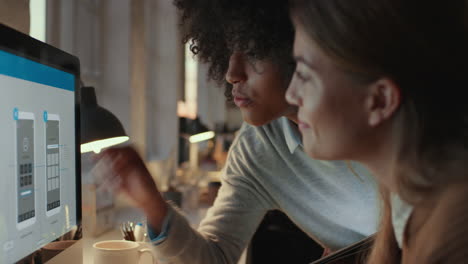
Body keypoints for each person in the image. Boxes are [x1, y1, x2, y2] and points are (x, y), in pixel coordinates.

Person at [95, 0, 379, 263]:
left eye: (254, 52)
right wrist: (153, 206)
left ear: (300, 50)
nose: (232, 72)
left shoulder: (380, 115)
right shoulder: (257, 149)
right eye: (229, 49)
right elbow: (215, 255)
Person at [286, 0, 468, 263]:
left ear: (381, 100)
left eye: (304, 74)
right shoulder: (405, 196)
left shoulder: (454, 237)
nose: (291, 94)